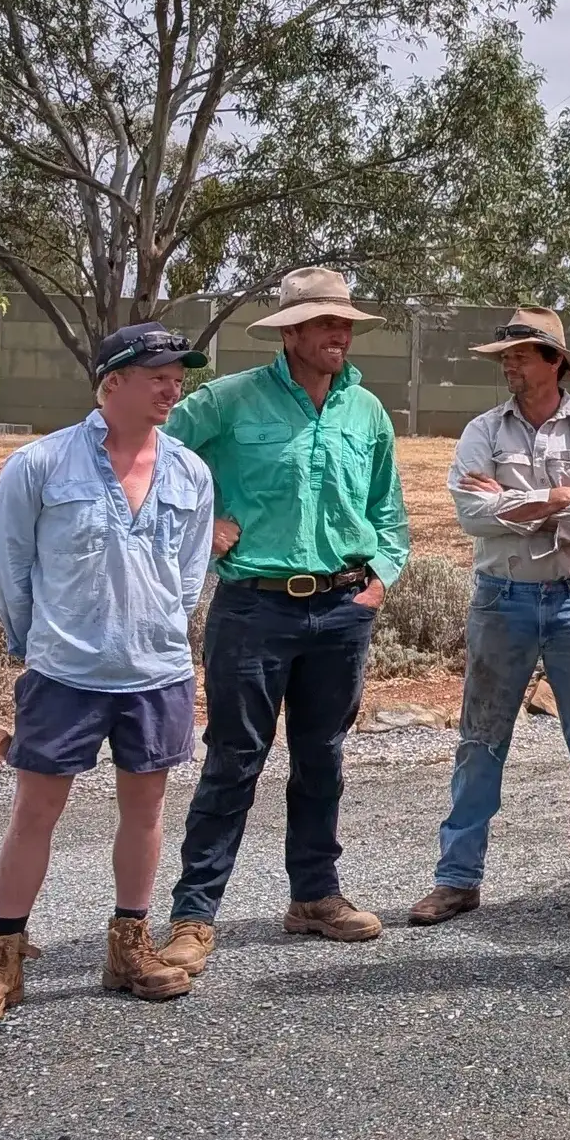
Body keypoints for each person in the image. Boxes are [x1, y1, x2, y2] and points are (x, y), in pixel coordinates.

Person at [0, 325, 215, 1030]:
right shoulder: (41, 464)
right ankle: (2, 960)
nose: (172, 385)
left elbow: (188, 574)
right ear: (112, 382)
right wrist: (40, 638)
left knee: (147, 811)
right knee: (35, 813)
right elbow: (0, 562)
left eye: (178, 374)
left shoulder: (189, 471)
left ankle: (129, 945)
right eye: (158, 372)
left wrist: (156, 629)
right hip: (64, 673)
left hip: (155, 673)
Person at [161, 268, 410, 975]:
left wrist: (380, 579)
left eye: (346, 323)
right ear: (292, 332)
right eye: (327, 323)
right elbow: (152, 457)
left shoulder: (367, 411)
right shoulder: (229, 401)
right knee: (235, 759)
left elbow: (388, 511)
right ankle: (193, 915)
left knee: (322, 757)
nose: (342, 333)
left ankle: (314, 897)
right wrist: (202, 522)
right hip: (254, 606)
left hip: (341, 610)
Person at [408, 309, 570, 926]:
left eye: (521, 354)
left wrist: (515, 502)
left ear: (554, 361)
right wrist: (558, 499)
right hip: (501, 597)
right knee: (480, 739)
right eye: (505, 355)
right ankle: (457, 879)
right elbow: (470, 514)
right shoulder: (482, 429)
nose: (508, 363)